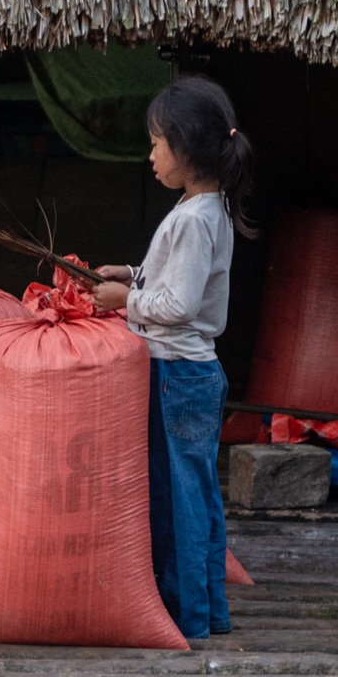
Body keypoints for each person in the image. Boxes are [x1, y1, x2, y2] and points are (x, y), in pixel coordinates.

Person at [88, 75, 256, 641]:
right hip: (194, 373)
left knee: (178, 496)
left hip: (177, 374)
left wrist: (126, 301)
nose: (151, 154)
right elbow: (180, 283)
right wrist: (130, 275)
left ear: (185, 148)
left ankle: (186, 615)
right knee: (198, 492)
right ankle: (207, 610)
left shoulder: (190, 218)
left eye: (157, 143)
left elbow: (179, 303)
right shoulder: (210, 210)